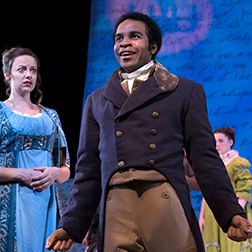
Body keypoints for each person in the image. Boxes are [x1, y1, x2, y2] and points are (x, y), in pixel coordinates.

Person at [46, 12, 252, 252]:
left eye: (134, 36)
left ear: (153, 46)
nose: (124, 42)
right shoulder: (96, 101)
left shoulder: (184, 91)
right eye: (119, 38)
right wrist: (71, 225)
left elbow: (205, 158)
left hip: (166, 207)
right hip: (117, 212)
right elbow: (89, 170)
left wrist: (230, 213)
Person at [0, 47, 70, 252]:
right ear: (7, 75)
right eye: (21, 69)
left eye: (33, 70)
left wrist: (55, 172)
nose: (28, 75)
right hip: (10, 201)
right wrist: (21, 174)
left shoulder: (51, 116)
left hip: (43, 204)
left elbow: (66, 168)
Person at [199, 127, 252, 251]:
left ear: (231, 142)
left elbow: (244, 188)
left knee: (233, 242)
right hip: (212, 211)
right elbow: (207, 191)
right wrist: (202, 216)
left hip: (232, 208)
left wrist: (235, 213)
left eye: (221, 141)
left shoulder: (238, 162)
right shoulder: (211, 164)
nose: (217, 144)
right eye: (215, 141)